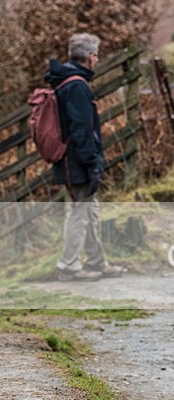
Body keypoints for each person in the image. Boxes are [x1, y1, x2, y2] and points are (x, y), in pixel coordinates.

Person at [45, 33, 124, 281]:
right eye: (96, 55)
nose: (97, 60)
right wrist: (92, 164)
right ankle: (68, 266)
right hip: (76, 161)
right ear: (90, 57)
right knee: (79, 210)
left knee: (89, 209)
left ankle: (96, 261)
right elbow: (82, 130)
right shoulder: (77, 86)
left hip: (70, 158)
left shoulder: (65, 81)